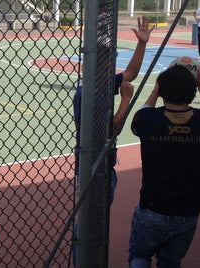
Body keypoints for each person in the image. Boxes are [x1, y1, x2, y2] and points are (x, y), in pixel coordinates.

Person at [71, 16, 154, 266]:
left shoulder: (103, 83)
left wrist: (142, 44)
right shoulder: (89, 94)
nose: (111, 63)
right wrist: (126, 100)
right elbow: (110, 129)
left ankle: (90, 256)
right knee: (91, 221)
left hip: (103, 161)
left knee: (96, 217)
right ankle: (85, 259)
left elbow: (131, 73)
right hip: (95, 164)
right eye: (106, 59)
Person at [127, 61, 200, 267]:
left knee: (140, 256)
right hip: (188, 210)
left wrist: (155, 90)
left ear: (161, 90)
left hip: (153, 207)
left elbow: (141, 114)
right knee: (171, 261)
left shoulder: (148, 119)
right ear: (194, 92)